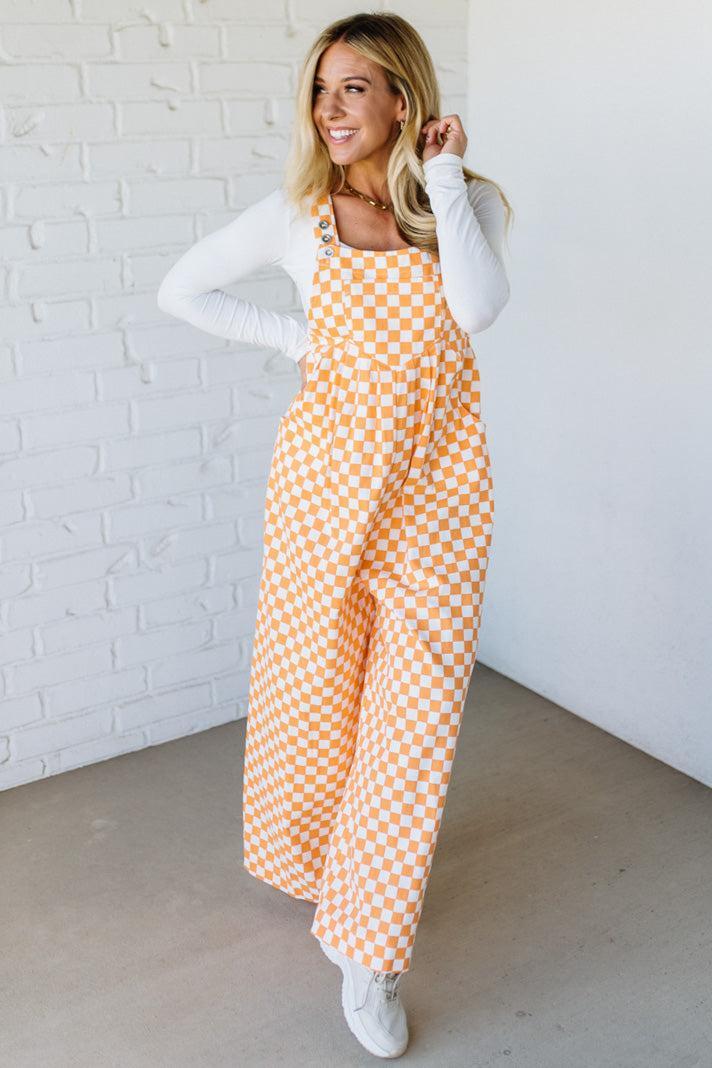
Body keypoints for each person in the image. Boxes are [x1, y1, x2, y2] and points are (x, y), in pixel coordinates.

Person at [157, 11, 511, 1060]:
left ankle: (370, 953)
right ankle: (323, 867)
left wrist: (443, 173)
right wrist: (298, 337)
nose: (330, 109)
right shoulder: (296, 216)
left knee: (415, 724)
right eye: (320, 89)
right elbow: (183, 291)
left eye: (353, 87)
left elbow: (478, 310)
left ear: (403, 96)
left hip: (438, 502)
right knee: (317, 699)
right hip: (322, 492)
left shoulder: (471, 202)